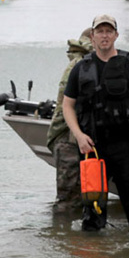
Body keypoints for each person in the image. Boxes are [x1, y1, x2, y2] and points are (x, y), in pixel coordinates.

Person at [62, 14, 129, 231]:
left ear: (116, 35)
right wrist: (79, 136)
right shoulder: (80, 68)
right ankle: (93, 250)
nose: (104, 36)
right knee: (93, 211)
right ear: (92, 36)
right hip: (93, 148)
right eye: (100, 31)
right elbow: (67, 106)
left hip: (128, 146)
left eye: (109, 31)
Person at [46, 28, 93, 212]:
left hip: (77, 138)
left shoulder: (84, 63)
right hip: (68, 139)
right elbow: (68, 106)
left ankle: (67, 230)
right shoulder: (79, 66)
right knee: (69, 201)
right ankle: (62, 229)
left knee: (86, 197)